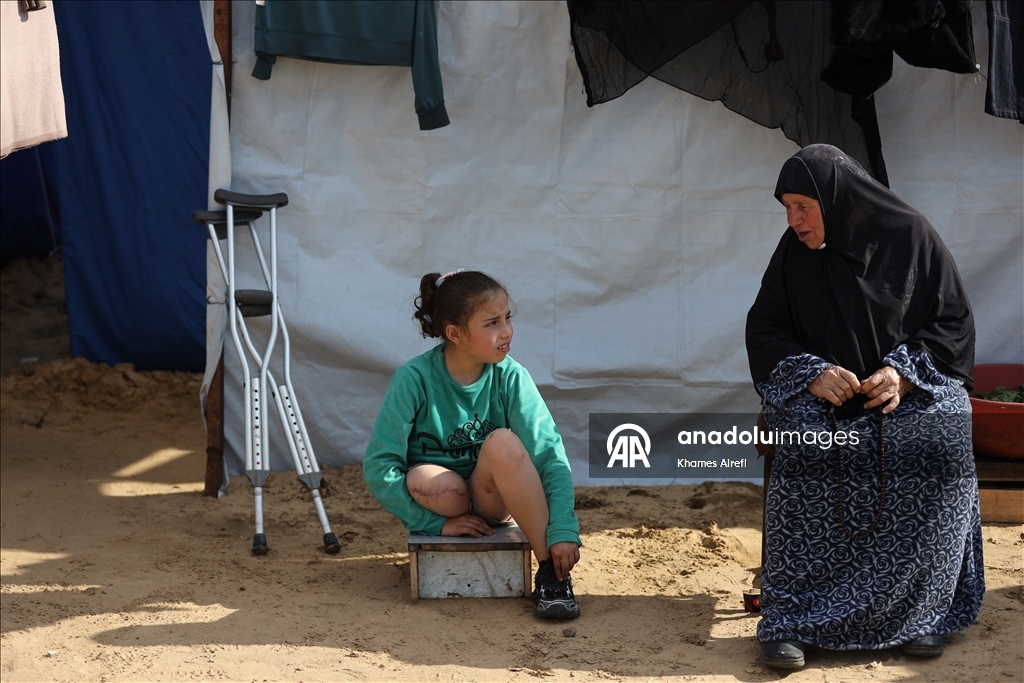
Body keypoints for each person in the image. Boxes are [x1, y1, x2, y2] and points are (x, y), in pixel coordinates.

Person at [745, 144, 984, 669]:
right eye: (786, 208)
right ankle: (793, 617)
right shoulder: (793, 253)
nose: (794, 220)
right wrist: (811, 373)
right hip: (824, 398)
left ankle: (919, 614)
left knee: (943, 431)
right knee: (805, 438)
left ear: (838, 199)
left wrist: (902, 372)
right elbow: (764, 329)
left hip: (900, 392)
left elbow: (952, 324)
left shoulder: (911, 236)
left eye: (803, 206)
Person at [363, 269, 582, 619]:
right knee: (426, 477)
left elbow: (549, 455)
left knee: (504, 442)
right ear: (455, 333)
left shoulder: (511, 376)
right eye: (492, 322)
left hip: (491, 498)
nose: (507, 331)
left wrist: (563, 528)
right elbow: (379, 467)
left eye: (507, 318)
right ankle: (447, 515)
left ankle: (551, 577)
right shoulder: (413, 379)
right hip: (442, 500)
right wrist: (433, 524)